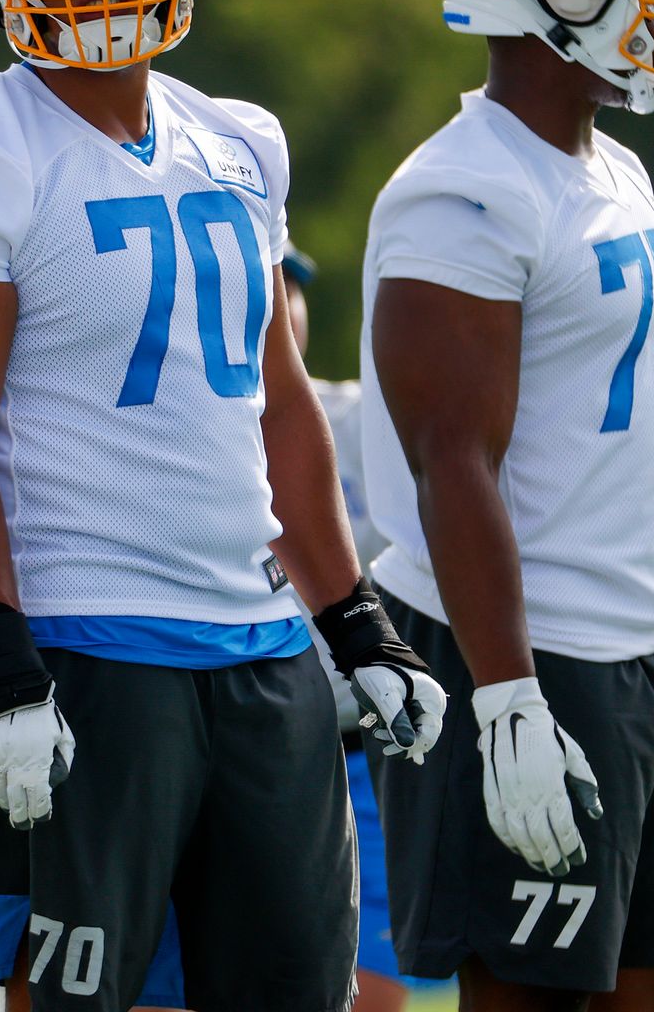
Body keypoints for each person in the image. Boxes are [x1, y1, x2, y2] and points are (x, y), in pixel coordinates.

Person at [0, 0, 447, 1012]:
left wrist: (354, 618)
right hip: (75, 641)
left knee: (298, 993)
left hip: (257, 642)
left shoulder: (241, 140)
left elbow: (276, 403)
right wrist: (0, 658)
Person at [361, 0, 654, 1011]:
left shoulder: (611, 169)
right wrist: (507, 696)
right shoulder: (462, 189)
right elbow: (450, 462)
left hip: (638, 651)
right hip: (532, 658)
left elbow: (611, 442)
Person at [281, 247, 430, 1012]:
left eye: (290, 281)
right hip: (216, 738)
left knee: (365, 992)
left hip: (352, 752)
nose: (279, 299)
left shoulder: (356, 422)